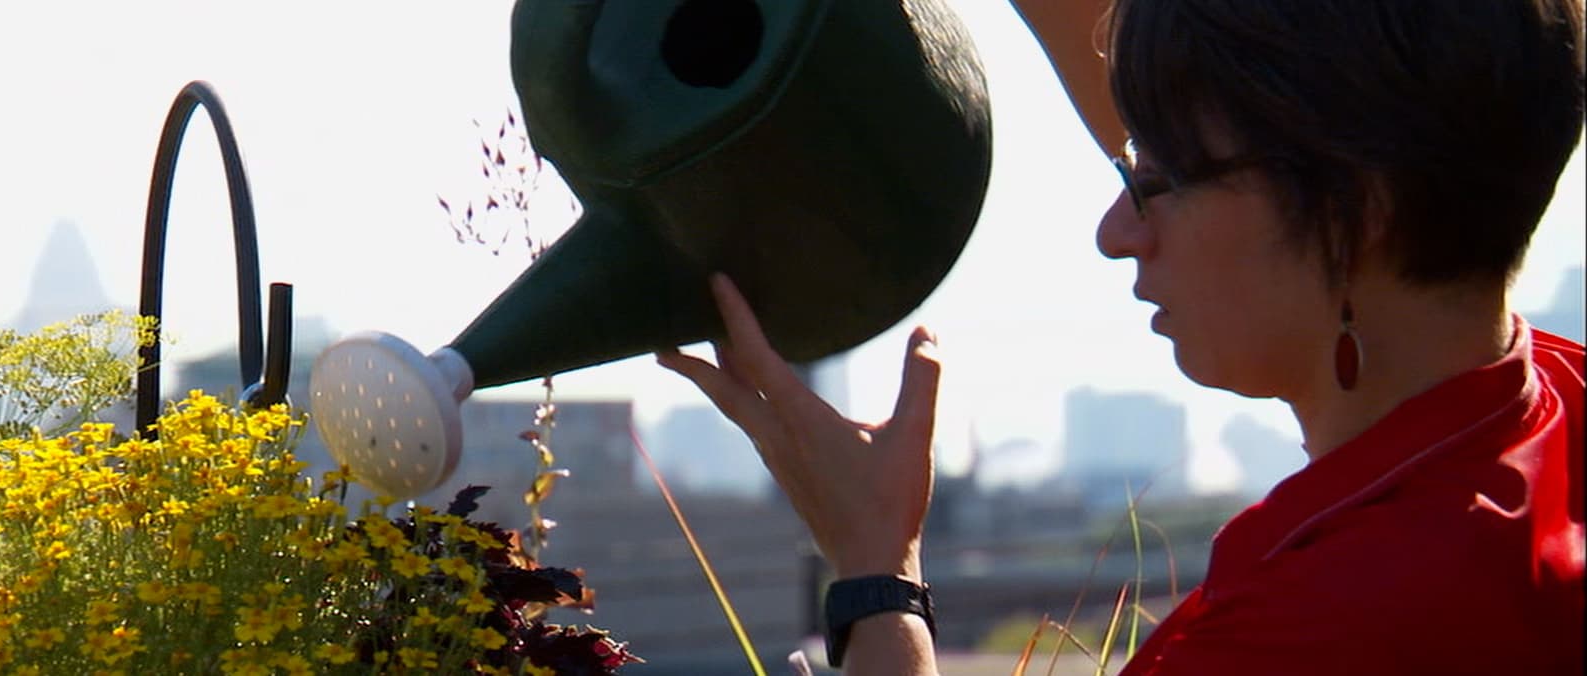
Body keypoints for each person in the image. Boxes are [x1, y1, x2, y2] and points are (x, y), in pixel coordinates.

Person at [656, 0, 1586, 673]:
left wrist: (875, 575)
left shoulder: (1315, 633)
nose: (1116, 231)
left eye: (1158, 177)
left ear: (1362, 211)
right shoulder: (1543, 421)